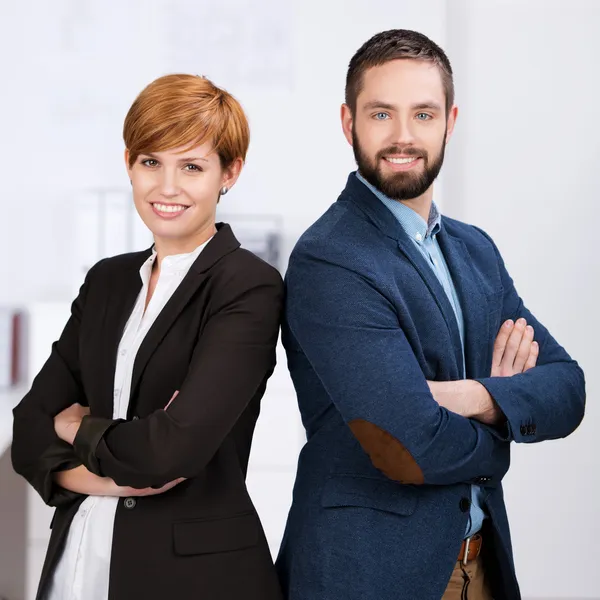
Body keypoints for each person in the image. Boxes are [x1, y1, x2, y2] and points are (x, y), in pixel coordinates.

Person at [276, 29, 585, 600]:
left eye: (423, 114)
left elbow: (568, 388)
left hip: (481, 565)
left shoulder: (474, 251)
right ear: (349, 123)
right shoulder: (332, 258)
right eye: (381, 114)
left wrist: (471, 396)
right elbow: (409, 446)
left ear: (450, 121)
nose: (403, 136)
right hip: (370, 575)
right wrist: (505, 427)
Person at [11, 73, 284, 600]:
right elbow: (28, 429)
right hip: (76, 567)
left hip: (191, 579)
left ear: (230, 173)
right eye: (151, 162)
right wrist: (108, 473)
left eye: (192, 167)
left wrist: (76, 429)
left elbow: (170, 452)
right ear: (129, 164)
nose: (167, 187)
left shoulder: (247, 285)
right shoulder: (108, 281)